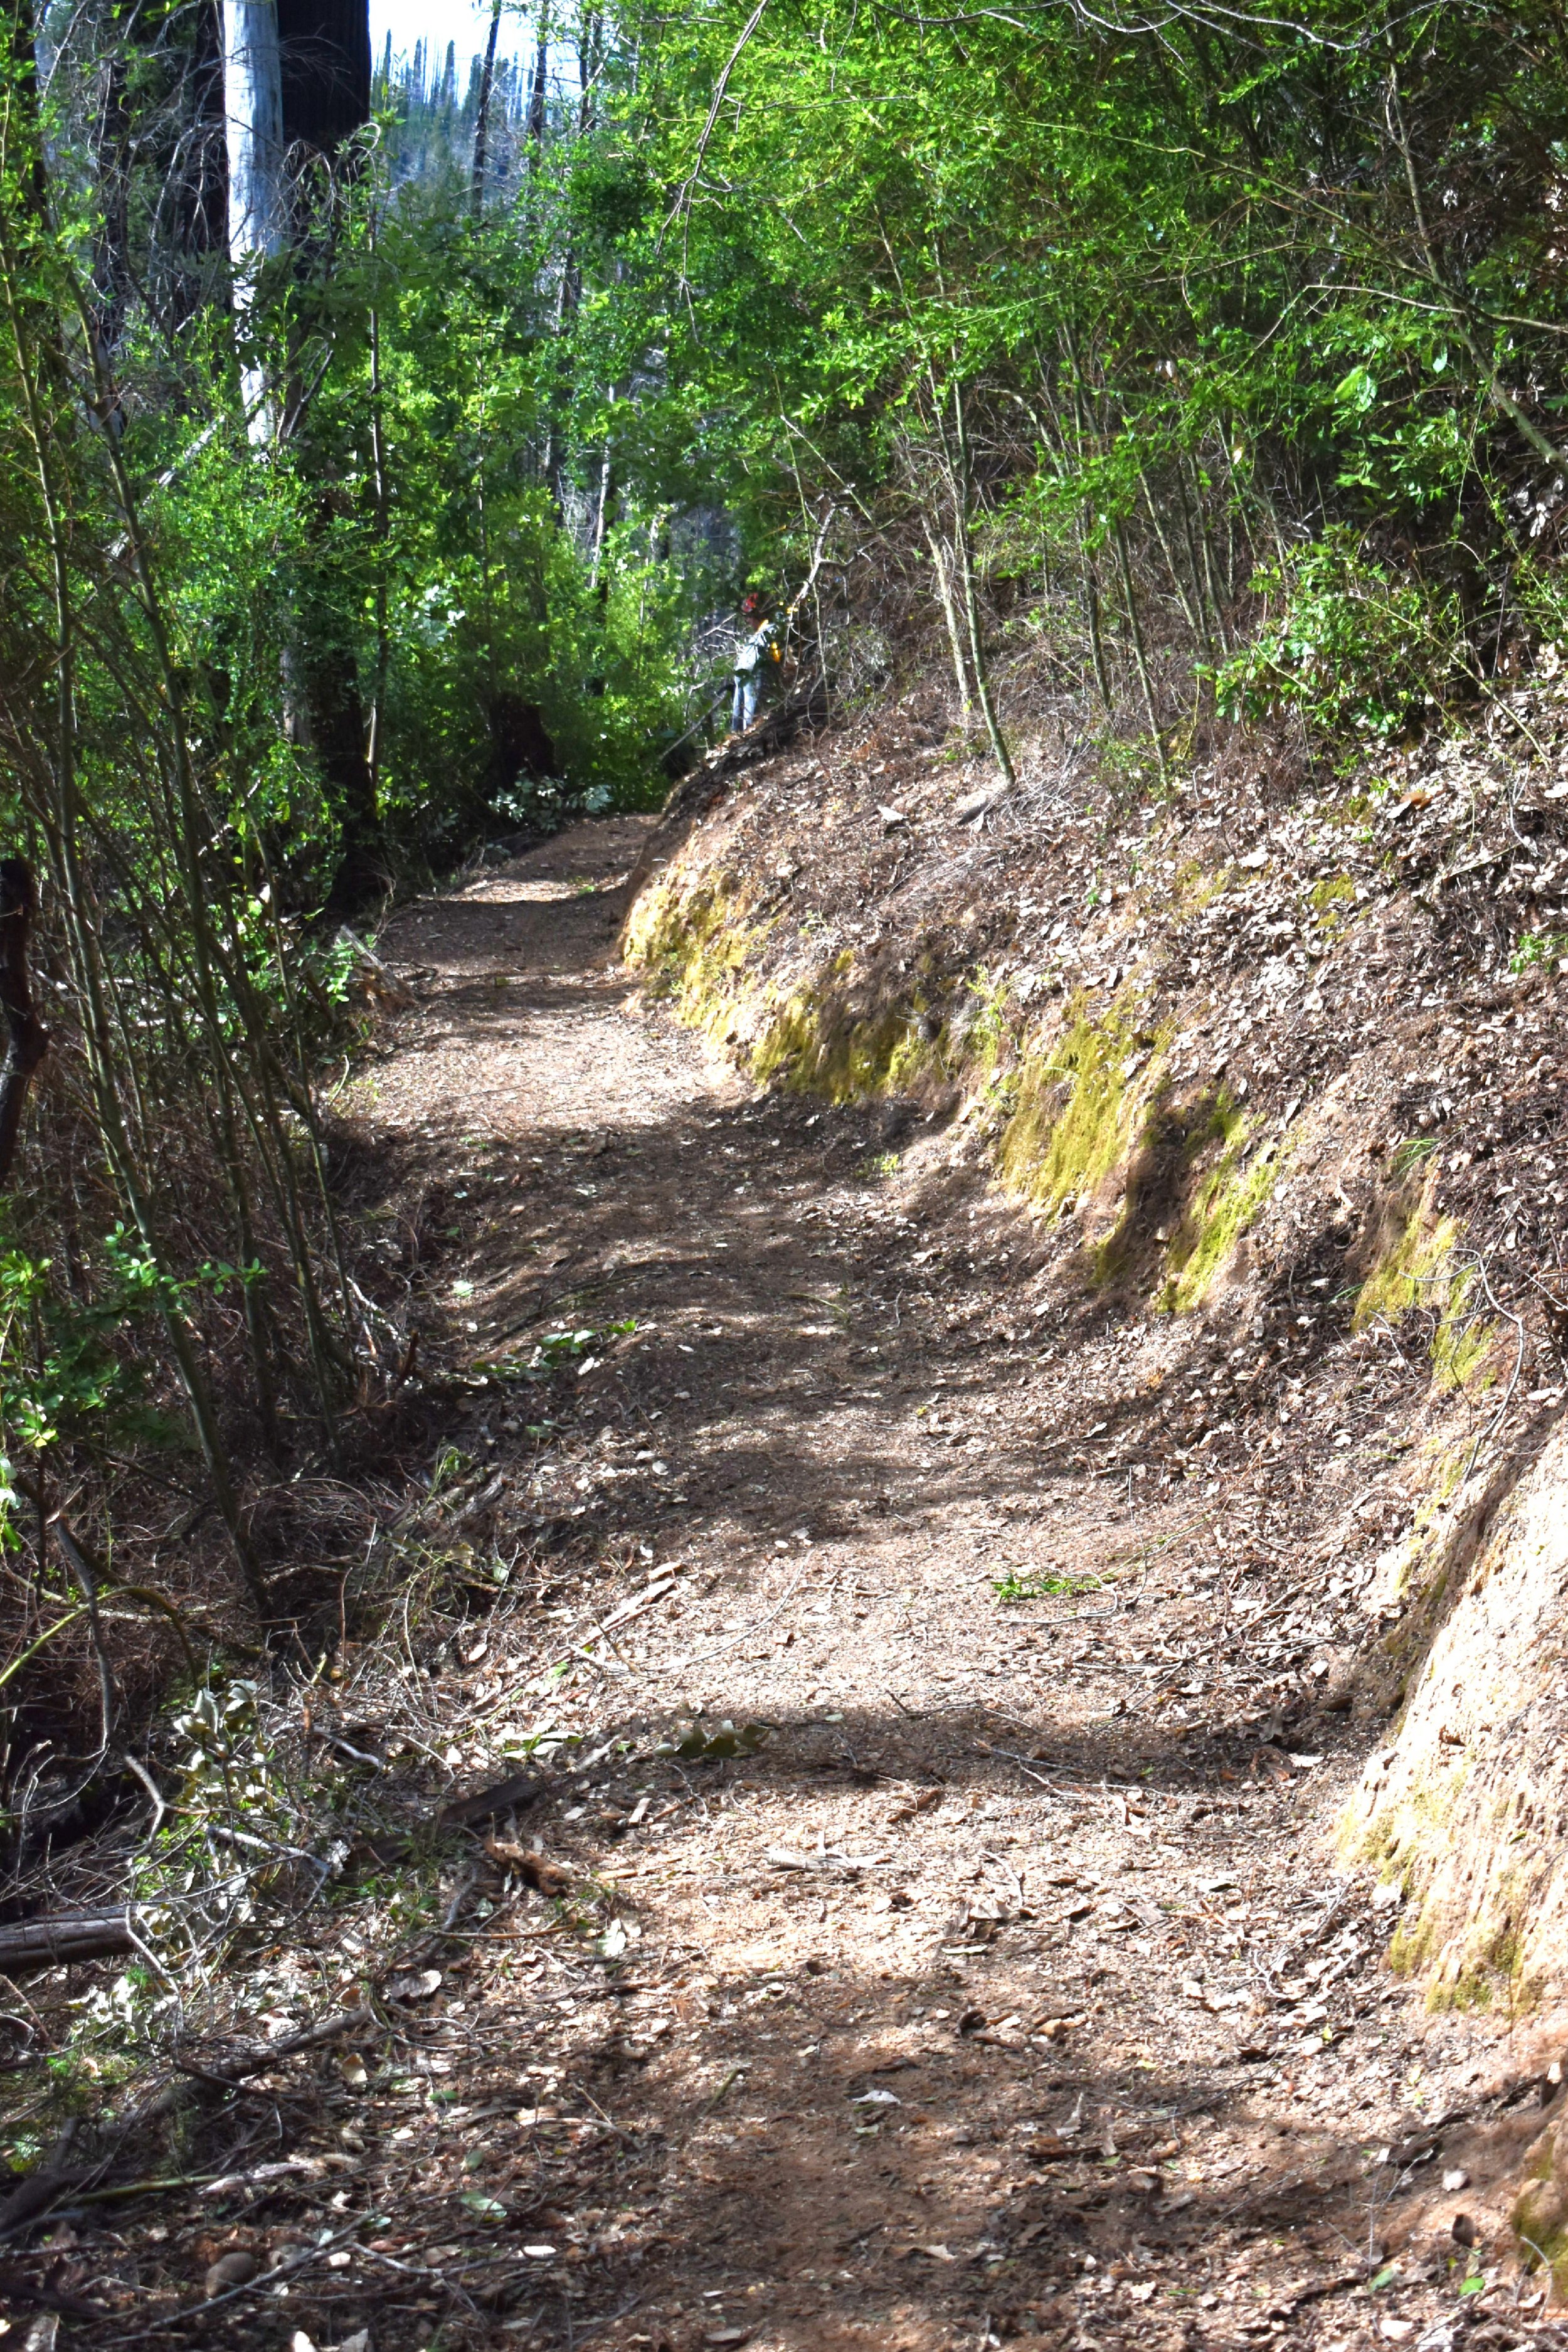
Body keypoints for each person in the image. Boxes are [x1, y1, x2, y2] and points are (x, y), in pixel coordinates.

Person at [731, 593, 781, 733]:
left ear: (758, 615)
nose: (748, 621)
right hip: (752, 672)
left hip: (742, 672)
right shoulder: (771, 631)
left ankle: (739, 739)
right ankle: (746, 739)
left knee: (740, 718)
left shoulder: (764, 633)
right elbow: (777, 657)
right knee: (751, 717)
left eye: (749, 617)